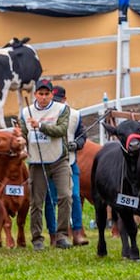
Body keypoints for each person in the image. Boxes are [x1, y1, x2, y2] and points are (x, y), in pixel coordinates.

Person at [20, 79, 73, 251]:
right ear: (35, 94)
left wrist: (41, 126)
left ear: (52, 94)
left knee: (65, 196)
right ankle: (37, 239)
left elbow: (61, 130)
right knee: (36, 202)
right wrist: (20, 139)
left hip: (59, 159)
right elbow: (23, 133)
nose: (43, 97)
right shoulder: (25, 112)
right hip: (36, 161)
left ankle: (62, 235)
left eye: (46, 94)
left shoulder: (62, 109)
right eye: (40, 94)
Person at [43, 85, 89, 246]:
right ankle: (54, 235)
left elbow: (82, 136)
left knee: (74, 196)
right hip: (49, 163)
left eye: (58, 100)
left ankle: (77, 232)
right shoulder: (43, 115)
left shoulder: (75, 115)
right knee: (51, 200)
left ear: (64, 99)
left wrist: (76, 144)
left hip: (69, 162)